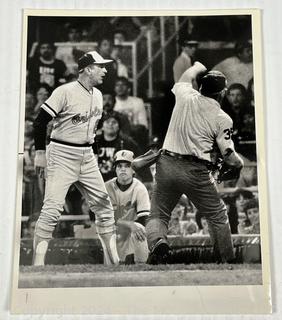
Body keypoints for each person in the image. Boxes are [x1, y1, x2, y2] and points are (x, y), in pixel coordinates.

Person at [145, 61, 244, 264]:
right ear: (223, 93)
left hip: (166, 163)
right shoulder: (222, 117)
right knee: (217, 214)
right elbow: (228, 155)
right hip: (195, 169)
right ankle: (226, 259)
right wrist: (239, 164)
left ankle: (157, 243)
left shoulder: (185, 96)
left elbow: (188, 73)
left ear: (200, 88)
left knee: (158, 213)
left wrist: (199, 64)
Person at [32, 51, 120, 266]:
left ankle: (113, 263)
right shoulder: (65, 91)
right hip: (62, 153)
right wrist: (40, 153)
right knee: (52, 209)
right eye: (101, 66)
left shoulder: (98, 95)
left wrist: (93, 154)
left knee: (104, 207)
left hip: (87, 155)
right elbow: (39, 122)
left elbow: (91, 130)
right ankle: (37, 263)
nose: (105, 70)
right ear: (88, 69)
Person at [105, 150, 150, 264]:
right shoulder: (106, 188)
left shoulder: (140, 188)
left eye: (127, 166)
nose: (123, 169)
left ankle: (141, 264)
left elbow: (144, 219)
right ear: (115, 169)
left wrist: (131, 225)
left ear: (133, 169)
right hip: (111, 232)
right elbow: (98, 217)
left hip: (131, 233)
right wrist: (128, 224)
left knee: (140, 228)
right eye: (119, 166)